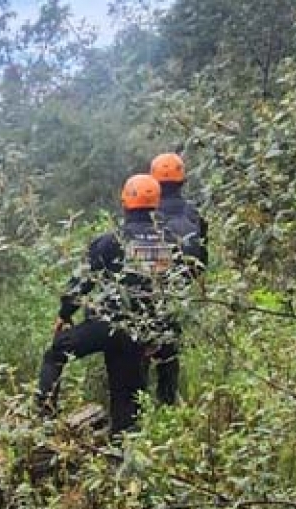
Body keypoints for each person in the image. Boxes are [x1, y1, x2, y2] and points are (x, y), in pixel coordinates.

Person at [36, 174, 172, 435]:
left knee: (56, 354)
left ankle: (44, 422)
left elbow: (81, 283)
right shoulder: (166, 243)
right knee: (126, 405)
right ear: (156, 204)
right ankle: (122, 450)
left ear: (125, 202)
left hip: (105, 325)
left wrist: (65, 314)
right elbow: (167, 292)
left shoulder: (111, 240)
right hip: (138, 332)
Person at [149, 151, 208, 404]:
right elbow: (202, 254)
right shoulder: (194, 213)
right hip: (181, 287)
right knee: (169, 349)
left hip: (151, 287)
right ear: (182, 181)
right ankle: (167, 400)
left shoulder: (148, 215)